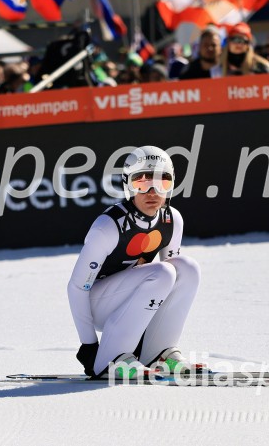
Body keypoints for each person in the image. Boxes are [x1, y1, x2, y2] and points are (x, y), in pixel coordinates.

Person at [67, 146, 201, 379]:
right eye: (142, 183)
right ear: (128, 185)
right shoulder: (108, 226)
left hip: (132, 296)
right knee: (163, 272)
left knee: (187, 268)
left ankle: (159, 352)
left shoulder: (172, 219)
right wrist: (88, 345)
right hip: (98, 305)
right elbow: (78, 287)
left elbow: (169, 289)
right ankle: (112, 359)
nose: (153, 192)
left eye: (163, 183)